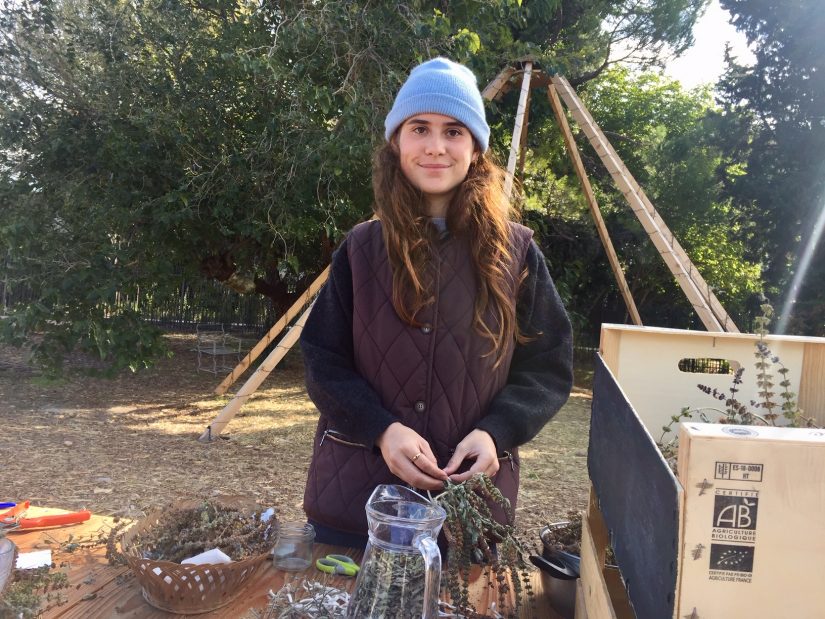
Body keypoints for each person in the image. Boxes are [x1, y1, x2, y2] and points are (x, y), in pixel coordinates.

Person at [300, 57, 573, 547]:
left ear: (475, 148)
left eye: (453, 131)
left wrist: (496, 432)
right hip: (354, 511)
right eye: (419, 128)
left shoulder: (515, 253)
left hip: (466, 514)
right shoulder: (362, 249)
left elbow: (548, 367)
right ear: (396, 142)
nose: (435, 146)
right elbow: (323, 359)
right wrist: (381, 430)